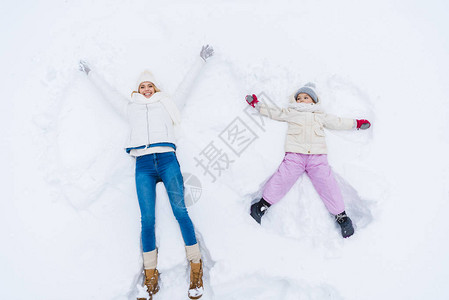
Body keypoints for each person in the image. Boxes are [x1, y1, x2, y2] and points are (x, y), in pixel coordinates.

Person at [79, 45, 214, 299]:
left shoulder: (168, 103)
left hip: (167, 159)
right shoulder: (130, 107)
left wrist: (200, 60)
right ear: (137, 90)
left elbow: (187, 84)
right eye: (142, 86)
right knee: (147, 220)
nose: (146, 89)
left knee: (180, 211)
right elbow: (108, 94)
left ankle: (196, 265)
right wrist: (90, 74)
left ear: (156, 88)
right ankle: (150, 276)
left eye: (150, 86)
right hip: (142, 163)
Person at [245, 83, 371, 238]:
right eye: (299, 98)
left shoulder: (320, 115)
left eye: (305, 97)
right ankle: (261, 206)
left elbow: (338, 122)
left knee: (327, 184)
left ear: (313, 101)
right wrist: (257, 104)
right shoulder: (292, 112)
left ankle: (342, 216)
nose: (301, 100)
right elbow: (274, 112)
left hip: (317, 157)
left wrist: (356, 123)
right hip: (295, 156)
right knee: (283, 178)